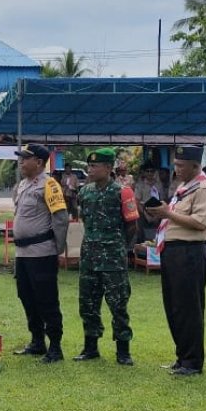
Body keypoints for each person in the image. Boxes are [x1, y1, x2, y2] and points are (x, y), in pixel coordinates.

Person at [145, 145, 206, 376]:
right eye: (175, 164)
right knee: (175, 307)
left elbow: (200, 222)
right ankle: (182, 356)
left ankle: (193, 362)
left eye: (181, 165)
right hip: (173, 252)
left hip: (190, 252)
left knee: (189, 309)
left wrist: (168, 214)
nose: (176, 170)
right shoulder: (185, 187)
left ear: (195, 166)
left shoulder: (203, 189)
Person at [75, 148, 138, 366]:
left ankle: (123, 350)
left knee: (118, 304)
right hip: (89, 257)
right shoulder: (84, 192)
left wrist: (120, 247)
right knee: (88, 303)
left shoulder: (123, 192)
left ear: (108, 168)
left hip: (113, 258)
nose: (90, 170)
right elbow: (84, 219)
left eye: (95, 166)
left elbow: (132, 225)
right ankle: (90, 347)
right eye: (89, 166)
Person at [10, 143, 69, 364]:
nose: (21, 162)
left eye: (26, 158)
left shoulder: (50, 184)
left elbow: (61, 218)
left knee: (47, 299)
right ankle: (37, 341)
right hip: (22, 253)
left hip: (42, 252)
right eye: (21, 158)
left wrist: (58, 249)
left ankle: (55, 346)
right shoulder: (22, 185)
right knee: (26, 296)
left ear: (40, 162)